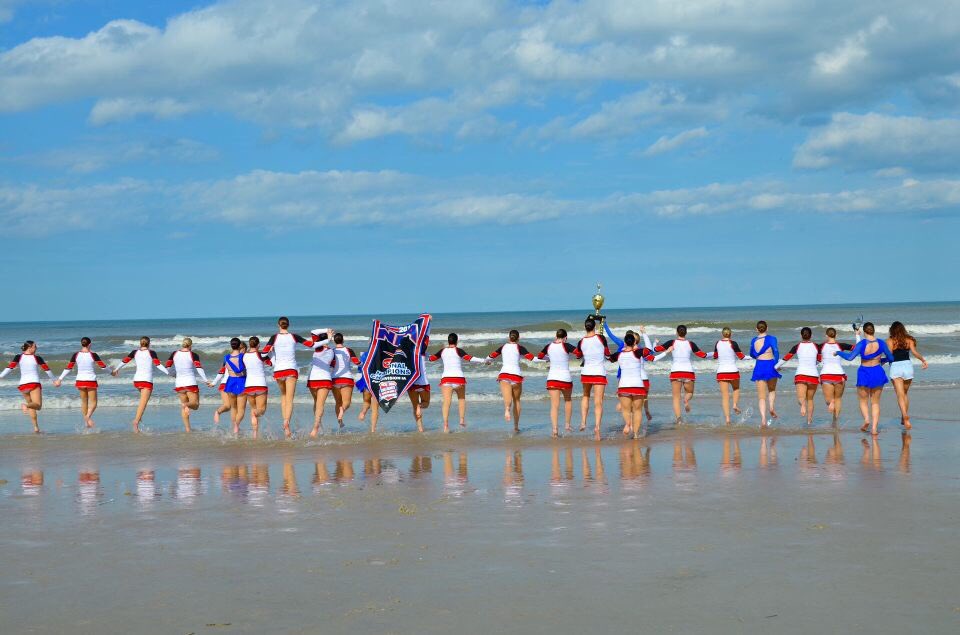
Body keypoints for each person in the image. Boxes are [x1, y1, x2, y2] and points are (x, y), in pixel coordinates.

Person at [261, 318, 329, 438]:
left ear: (278, 325)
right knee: (290, 399)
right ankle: (286, 422)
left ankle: (285, 421)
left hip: (279, 371)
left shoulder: (274, 337)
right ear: (288, 325)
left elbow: (263, 354)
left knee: (283, 396)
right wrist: (328, 339)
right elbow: (312, 345)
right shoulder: (294, 336)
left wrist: (270, 352)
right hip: (291, 370)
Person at [835, 322, 894, 435]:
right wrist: (881, 361)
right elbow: (891, 357)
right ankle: (874, 428)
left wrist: (838, 352)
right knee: (875, 403)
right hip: (877, 372)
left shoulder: (862, 344)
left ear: (864, 332)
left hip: (864, 373)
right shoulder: (881, 343)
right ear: (873, 331)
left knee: (863, 401)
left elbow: (850, 357)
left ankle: (867, 419)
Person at [112, 336, 171, 432]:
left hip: (137, 380)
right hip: (146, 381)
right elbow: (158, 364)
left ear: (140, 343)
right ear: (149, 344)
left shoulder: (135, 352)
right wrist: (168, 373)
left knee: (142, 401)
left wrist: (116, 369)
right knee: (143, 403)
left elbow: (124, 361)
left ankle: (139, 417)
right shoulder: (151, 352)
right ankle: (136, 422)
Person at [428, 333, 485, 432]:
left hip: (446, 379)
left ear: (448, 341)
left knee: (446, 402)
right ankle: (462, 420)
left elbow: (431, 359)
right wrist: (483, 360)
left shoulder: (442, 351)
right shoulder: (458, 350)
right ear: (457, 341)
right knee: (461, 399)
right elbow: (469, 358)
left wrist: (422, 352)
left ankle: (446, 425)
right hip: (459, 379)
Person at [653, 325, 708, 424]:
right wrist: (714, 354)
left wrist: (655, 342)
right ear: (686, 333)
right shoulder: (691, 344)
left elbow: (656, 349)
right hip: (688, 373)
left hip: (676, 372)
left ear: (677, 332)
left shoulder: (672, 342)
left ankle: (679, 419)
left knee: (676, 398)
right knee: (690, 392)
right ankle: (686, 400)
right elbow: (702, 355)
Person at [534, 329, 583, 437]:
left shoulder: (548, 346)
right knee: (568, 400)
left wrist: (549, 358)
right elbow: (578, 353)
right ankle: (567, 425)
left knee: (554, 405)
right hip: (565, 379)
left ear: (556, 336)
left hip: (552, 378)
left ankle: (555, 430)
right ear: (565, 337)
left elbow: (540, 356)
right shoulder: (566, 345)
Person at [0, 340, 55, 433]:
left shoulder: (18, 357)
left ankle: (36, 428)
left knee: (31, 405)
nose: (36, 348)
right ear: (29, 348)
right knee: (38, 405)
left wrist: (1, 376)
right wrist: (54, 380)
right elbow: (47, 369)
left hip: (23, 385)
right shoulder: (37, 358)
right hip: (34, 383)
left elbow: (10, 367)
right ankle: (25, 406)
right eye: (35, 346)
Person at [487, 330, 535, 433]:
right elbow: (532, 358)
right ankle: (516, 427)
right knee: (517, 400)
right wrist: (547, 359)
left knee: (507, 398)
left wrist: (487, 361)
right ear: (518, 338)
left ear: (509, 338)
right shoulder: (520, 348)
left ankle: (507, 409)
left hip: (504, 375)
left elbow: (490, 356)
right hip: (516, 376)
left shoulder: (503, 347)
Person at [608, 332, 655, 438]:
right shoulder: (638, 352)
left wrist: (606, 351)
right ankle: (636, 434)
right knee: (637, 411)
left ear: (625, 343)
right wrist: (644, 334)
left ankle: (628, 424)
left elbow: (609, 358)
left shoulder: (619, 354)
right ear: (634, 342)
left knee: (625, 409)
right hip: (637, 386)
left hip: (623, 386)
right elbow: (649, 350)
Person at [54, 337, 108, 429]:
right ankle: (87, 417)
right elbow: (103, 367)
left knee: (84, 401)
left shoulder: (76, 355)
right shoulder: (93, 355)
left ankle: (86, 422)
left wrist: (60, 379)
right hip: (90, 380)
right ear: (90, 344)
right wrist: (111, 372)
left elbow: (69, 368)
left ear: (81, 344)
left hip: (80, 381)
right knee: (94, 403)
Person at [887, 321, 928, 430]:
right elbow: (914, 352)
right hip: (907, 367)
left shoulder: (890, 340)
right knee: (905, 394)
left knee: (900, 395)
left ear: (892, 330)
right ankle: (904, 416)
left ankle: (905, 415)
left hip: (895, 367)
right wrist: (923, 360)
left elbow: (889, 355)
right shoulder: (909, 340)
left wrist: (880, 361)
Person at [775, 327, 821, 426]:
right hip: (813, 375)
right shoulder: (817, 346)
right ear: (811, 335)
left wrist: (776, 366)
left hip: (800, 375)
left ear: (801, 335)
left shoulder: (797, 346)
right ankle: (809, 421)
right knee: (810, 399)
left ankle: (803, 405)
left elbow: (786, 358)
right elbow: (820, 359)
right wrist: (814, 364)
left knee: (801, 397)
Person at [576, 318, 611, 437]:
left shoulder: (581, 341)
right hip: (599, 373)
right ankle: (597, 427)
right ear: (594, 326)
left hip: (586, 372)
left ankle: (583, 422)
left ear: (585, 327)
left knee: (585, 396)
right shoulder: (601, 338)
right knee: (598, 401)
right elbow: (607, 354)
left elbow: (578, 356)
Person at [164, 337, 208, 433]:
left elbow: (167, 367)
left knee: (185, 407)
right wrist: (205, 380)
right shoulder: (193, 354)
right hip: (190, 383)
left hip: (179, 384)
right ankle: (185, 405)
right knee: (195, 405)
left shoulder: (174, 353)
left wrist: (174, 375)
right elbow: (199, 368)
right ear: (191, 345)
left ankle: (188, 429)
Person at [237, 336, 273, 438]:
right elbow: (270, 363)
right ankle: (255, 417)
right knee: (261, 410)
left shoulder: (244, 356)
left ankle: (255, 434)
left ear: (249, 344)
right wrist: (271, 352)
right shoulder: (261, 354)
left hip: (249, 385)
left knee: (253, 409)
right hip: (260, 384)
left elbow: (241, 368)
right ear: (258, 345)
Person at [209, 338, 246, 435]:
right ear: (239, 346)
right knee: (241, 409)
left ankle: (234, 428)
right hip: (241, 382)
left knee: (233, 408)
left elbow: (222, 371)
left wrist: (214, 382)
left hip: (229, 383)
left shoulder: (226, 358)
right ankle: (236, 426)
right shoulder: (243, 357)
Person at [749, 321, 781, 428]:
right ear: (767, 328)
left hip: (759, 366)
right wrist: (776, 364)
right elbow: (776, 351)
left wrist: (758, 356)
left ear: (757, 329)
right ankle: (771, 407)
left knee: (761, 397)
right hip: (770, 365)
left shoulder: (754, 340)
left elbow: (752, 354)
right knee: (771, 390)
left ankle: (763, 418)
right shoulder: (772, 338)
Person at [819, 327, 853, 425]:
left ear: (826, 335)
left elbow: (812, 353)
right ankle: (835, 420)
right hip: (839, 375)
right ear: (836, 335)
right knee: (838, 398)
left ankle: (832, 402)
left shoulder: (821, 346)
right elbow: (856, 348)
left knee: (828, 401)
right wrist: (857, 334)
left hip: (826, 375)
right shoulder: (841, 345)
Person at [711, 327, 745, 425]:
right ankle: (734, 405)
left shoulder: (718, 343)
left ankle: (727, 419)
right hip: (733, 371)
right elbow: (741, 357)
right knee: (736, 388)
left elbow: (715, 356)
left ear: (722, 334)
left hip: (721, 372)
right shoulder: (733, 343)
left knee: (725, 396)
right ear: (731, 334)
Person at [306, 333, 336, 437]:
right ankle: (316, 427)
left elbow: (313, 333)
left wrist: (327, 333)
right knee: (320, 404)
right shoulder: (331, 351)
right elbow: (333, 365)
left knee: (316, 402)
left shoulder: (317, 349)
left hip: (313, 379)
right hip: (324, 379)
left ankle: (318, 424)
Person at [330, 333, 361, 428]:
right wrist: (365, 363)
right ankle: (342, 410)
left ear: (334, 341)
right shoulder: (348, 350)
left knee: (338, 402)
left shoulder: (331, 351)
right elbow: (357, 362)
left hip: (334, 379)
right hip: (347, 379)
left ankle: (340, 422)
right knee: (346, 403)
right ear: (343, 340)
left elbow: (331, 364)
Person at [407, 337, 431, 433]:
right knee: (426, 403)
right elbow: (426, 338)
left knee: (414, 406)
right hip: (423, 382)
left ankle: (420, 429)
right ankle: (420, 406)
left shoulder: (407, 354)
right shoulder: (422, 352)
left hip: (411, 382)